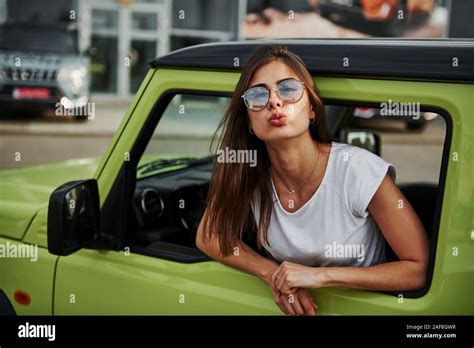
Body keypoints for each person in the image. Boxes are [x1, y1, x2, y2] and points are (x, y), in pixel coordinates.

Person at [196, 43, 429, 316]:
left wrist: (320, 276)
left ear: (312, 109)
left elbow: (418, 268)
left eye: (289, 89)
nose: (274, 101)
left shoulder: (356, 168)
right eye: (258, 95)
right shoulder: (248, 172)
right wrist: (272, 273)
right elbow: (209, 236)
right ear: (248, 121)